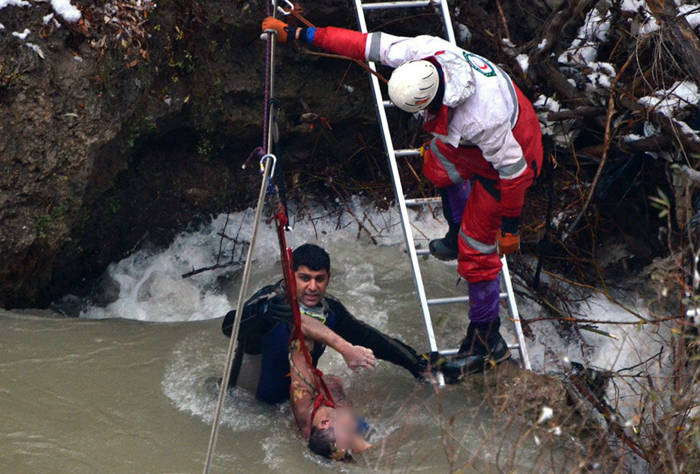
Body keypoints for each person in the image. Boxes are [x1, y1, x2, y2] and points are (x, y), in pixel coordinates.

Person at [260, 18, 544, 376]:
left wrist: (511, 226)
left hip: (513, 159)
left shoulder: (484, 118)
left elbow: (514, 174)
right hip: (475, 148)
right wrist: (302, 34)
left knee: (478, 253)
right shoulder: (423, 53)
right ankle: (457, 233)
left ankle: (488, 339)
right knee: (437, 165)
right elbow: (361, 44)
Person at [221, 243, 426, 404]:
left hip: (293, 406)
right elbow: (229, 328)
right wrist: (260, 313)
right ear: (290, 276)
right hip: (245, 407)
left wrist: (415, 363)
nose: (312, 287)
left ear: (328, 279)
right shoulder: (270, 300)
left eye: (320, 279)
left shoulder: (330, 310)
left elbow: (368, 337)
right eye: (304, 278)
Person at [288, 337, 370, 460]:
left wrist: (345, 349)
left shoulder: (303, 399)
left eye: (348, 430)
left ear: (324, 423)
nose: (354, 426)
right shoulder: (340, 433)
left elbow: (299, 343)